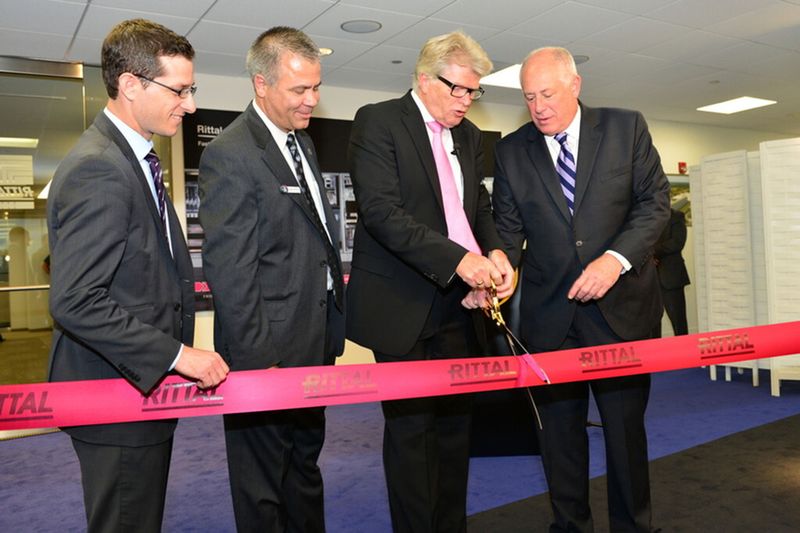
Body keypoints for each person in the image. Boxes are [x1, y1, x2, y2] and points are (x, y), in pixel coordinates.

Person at [47, 19, 229, 533]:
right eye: (180, 90)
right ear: (130, 85)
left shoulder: (131, 159)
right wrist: (178, 355)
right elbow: (77, 300)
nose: (190, 105)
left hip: (135, 389)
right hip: (113, 394)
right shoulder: (100, 168)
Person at [490, 47, 670, 532]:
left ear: (575, 85)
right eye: (529, 98)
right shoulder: (511, 151)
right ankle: (570, 526)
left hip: (622, 314)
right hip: (551, 321)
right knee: (559, 440)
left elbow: (654, 205)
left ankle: (633, 526)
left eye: (547, 94)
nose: (538, 107)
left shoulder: (625, 128)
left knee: (624, 435)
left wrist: (614, 261)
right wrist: (501, 259)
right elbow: (505, 229)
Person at [346, 31, 514, 533]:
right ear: (424, 79)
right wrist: (461, 261)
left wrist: (496, 250)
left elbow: (476, 206)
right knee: (412, 436)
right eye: (457, 89)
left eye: (473, 92)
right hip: (404, 307)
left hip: (461, 308)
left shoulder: (466, 135)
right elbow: (382, 213)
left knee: (455, 432)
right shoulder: (378, 122)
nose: (466, 101)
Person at [198, 26, 345, 533]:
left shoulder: (302, 143)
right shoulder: (231, 154)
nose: (313, 100)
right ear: (261, 84)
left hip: (312, 344)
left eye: (316, 87)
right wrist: (264, 365)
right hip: (267, 358)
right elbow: (231, 272)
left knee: (304, 466)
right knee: (262, 486)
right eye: (300, 90)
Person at [655, 208, 690, 336]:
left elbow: (677, 243)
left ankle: (686, 353)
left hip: (670, 277)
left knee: (678, 321)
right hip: (649, 278)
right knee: (651, 323)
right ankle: (654, 353)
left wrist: (652, 252)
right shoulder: (646, 218)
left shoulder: (676, 216)